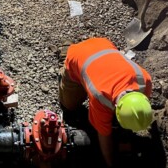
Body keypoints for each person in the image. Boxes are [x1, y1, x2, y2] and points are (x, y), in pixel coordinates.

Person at [58, 37, 153, 167]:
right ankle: (66, 55)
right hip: (77, 56)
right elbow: (104, 135)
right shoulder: (100, 96)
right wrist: (110, 163)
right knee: (69, 106)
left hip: (103, 44)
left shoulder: (145, 81)